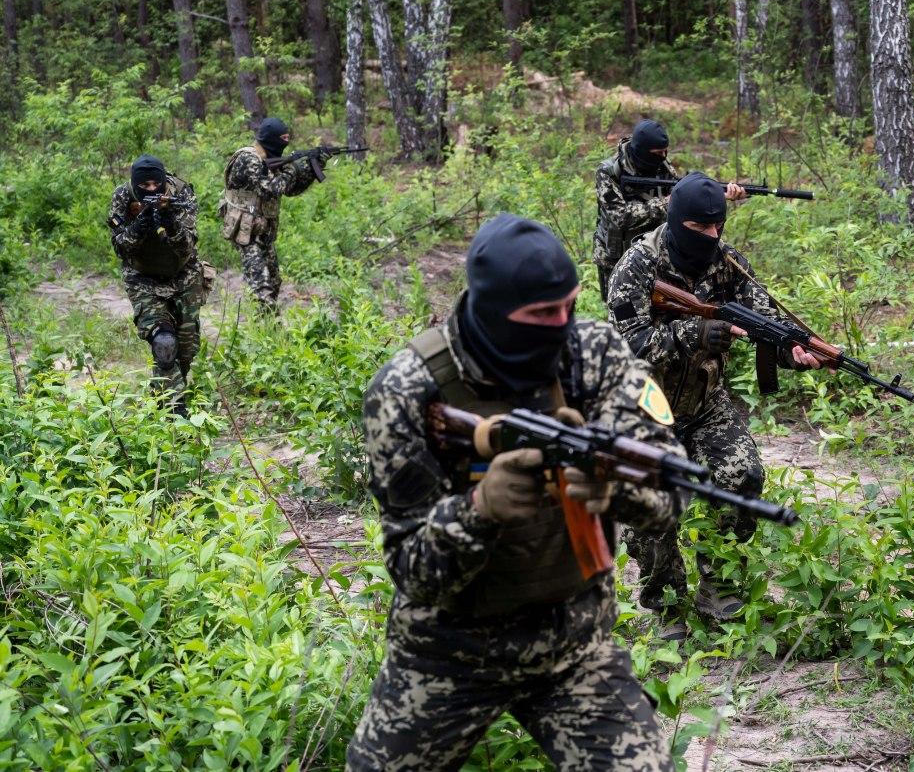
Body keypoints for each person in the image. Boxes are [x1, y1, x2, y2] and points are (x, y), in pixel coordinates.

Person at [347, 213, 681, 771]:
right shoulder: (407, 390)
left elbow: (670, 492)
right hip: (446, 652)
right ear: (494, 313)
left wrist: (613, 488)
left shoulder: (593, 353)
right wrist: (480, 510)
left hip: (574, 644)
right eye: (543, 314)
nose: (563, 324)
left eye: (571, 306)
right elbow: (411, 570)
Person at [605, 173, 822, 635]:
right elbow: (629, 346)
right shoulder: (637, 266)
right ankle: (665, 601)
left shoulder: (728, 264)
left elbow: (765, 317)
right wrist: (693, 333)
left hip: (705, 401)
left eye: (716, 227)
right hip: (644, 407)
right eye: (698, 229)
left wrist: (792, 350)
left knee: (743, 476)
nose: (710, 237)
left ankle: (718, 584)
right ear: (675, 220)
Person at [107, 154, 211, 416]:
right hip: (143, 279)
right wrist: (140, 225)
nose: (152, 190)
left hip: (183, 275)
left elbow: (187, 244)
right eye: (146, 187)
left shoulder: (181, 193)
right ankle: (177, 416)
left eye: (157, 185)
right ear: (135, 184)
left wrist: (169, 222)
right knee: (164, 344)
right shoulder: (123, 196)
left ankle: (161, 396)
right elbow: (120, 247)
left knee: (186, 350)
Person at [219, 117, 325, 312]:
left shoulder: (272, 159)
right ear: (270, 139)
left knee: (274, 281)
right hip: (244, 232)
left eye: (287, 138)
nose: (284, 143)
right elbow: (271, 189)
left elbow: (291, 190)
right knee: (261, 286)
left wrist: (313, 168)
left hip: (263, 231)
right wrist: (292, 169)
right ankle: (270, 330)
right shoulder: (247, 159)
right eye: (282, 139)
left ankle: (264, 322)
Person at [592, 119, 681, 301]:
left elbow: (679, 193)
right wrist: (664, 204)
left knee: (651, 308)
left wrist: (718, 194)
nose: (663, 156)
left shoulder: (662, 166)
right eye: (657, 153)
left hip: (650, 252)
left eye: (666, 151)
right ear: (641, 151)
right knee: (619, 310)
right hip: (614, 256)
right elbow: (620, 216)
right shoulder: (609, 172)